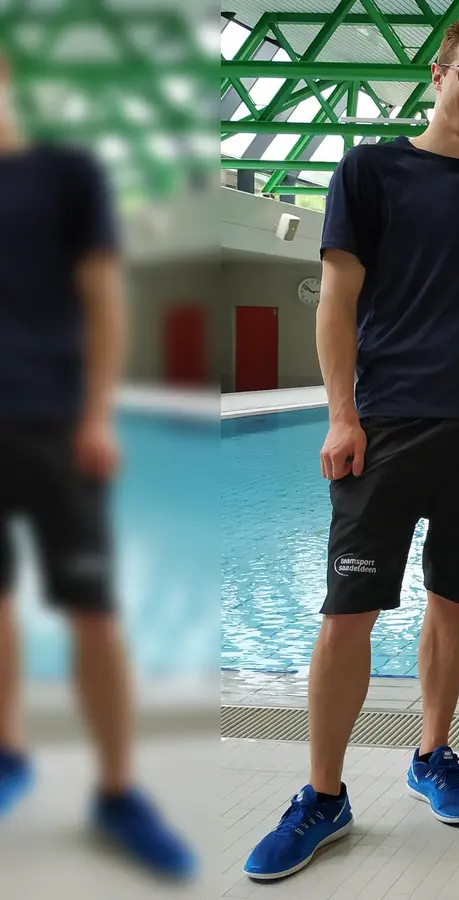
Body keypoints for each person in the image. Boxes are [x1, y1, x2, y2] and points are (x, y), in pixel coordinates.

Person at [245, 12, 459, 879]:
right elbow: (334, 300)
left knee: (454, 600)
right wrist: (342, 414)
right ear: (438, 73)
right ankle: (323, 795)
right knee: (348, 614)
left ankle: (433, 753)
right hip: (389, 426)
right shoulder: (371, 169)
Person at [0, 45, 194, 879]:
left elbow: (103, 294)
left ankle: (118, 789)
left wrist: (96, 413)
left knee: (91, 610)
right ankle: (9, 750)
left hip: (51, 419)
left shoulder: (66, 174)